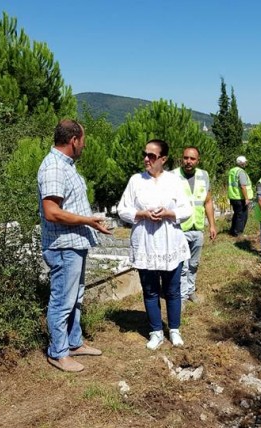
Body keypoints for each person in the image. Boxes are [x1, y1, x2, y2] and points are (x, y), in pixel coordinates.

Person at [38, 119, 111, 373]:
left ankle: (74, 343)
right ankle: (58, 353)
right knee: (62, 300)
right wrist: (87, 220)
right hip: (62, 246)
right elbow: (51, 212)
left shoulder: (66, 166)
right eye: (84, 141)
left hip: (74, 243)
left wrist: (90, 224)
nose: (85, 146)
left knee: (75, 297)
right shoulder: (54, 168)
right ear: (73, 141)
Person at [117, 139, 192, 350]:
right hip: (146, 243)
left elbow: (187, 210)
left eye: (152, 156)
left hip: (170, 242)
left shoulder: (174, 181)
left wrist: (169, 213)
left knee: (172, 290)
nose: (146, 159)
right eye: (145, 154)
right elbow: (122, 209)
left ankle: (174, 330)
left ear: (163, 159)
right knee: (150, 290)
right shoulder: (136, 181)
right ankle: (156, 331)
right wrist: (141, 214)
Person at [173, 146, 217, 305]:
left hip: (197, 227)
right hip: (180, 229)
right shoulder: (173, 176)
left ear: (198, 160)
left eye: (192, 159)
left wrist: (212, 224)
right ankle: (182, 297)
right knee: (182, 266)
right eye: (186, 158)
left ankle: (191, 290)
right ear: (181, 158)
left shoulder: (203, 175)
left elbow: (208, 201)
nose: (188, 161)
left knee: (194, 264)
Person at [227, 156, 252, 237]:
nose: (245, 163)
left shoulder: (232, 171)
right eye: (245, 162)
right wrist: (246, 198)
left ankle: (233, 231)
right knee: (242, 216)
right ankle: (238, 233)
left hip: (233, 196)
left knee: (237, 214)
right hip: (240, 197)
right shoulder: (241, 172)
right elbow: (243, 186)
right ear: (242, 163)